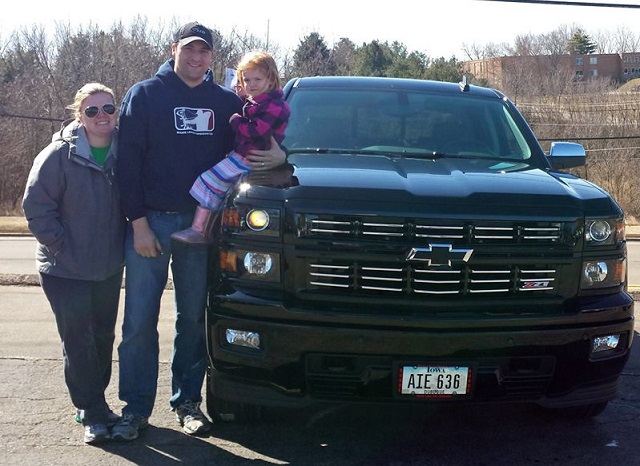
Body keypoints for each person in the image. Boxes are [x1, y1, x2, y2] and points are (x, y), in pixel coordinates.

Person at [112, 21, 287, 441]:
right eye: (189, 49)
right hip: (150, 222)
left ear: (212, 57)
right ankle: (135, 409)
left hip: (202, 226)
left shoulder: (225, 100)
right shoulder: (145, 94)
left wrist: (281, 154)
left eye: (204, 51)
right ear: (174, 48)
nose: (196, 57)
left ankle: (187, 402)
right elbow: (127, 164)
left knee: (192, 318)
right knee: (138, 321)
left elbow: (255, 148)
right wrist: (137, 224)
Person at [22, 83, 125, 445]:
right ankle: (93, 413)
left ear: (116, 112)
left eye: (108, 109)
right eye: (92, 110)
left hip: (108, 267)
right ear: (79, 115)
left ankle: (93, 403)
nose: (102, 116)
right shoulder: (56, 156)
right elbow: (36, 208)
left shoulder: (124, 153)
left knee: (103, 338)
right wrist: (62, 246)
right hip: (63, 269)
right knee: (78, 340)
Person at [172, 50, 290, 244]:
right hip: (244, 155)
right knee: (220, 188)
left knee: (209, 181)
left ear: (271, 79)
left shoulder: (275, 106)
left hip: (249, 157)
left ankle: (199, 229)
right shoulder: (255, 102)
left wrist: (236, 121)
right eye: (247, 80)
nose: (251, 85)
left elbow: (257, 132)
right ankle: (204, 229)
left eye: (257, 79)